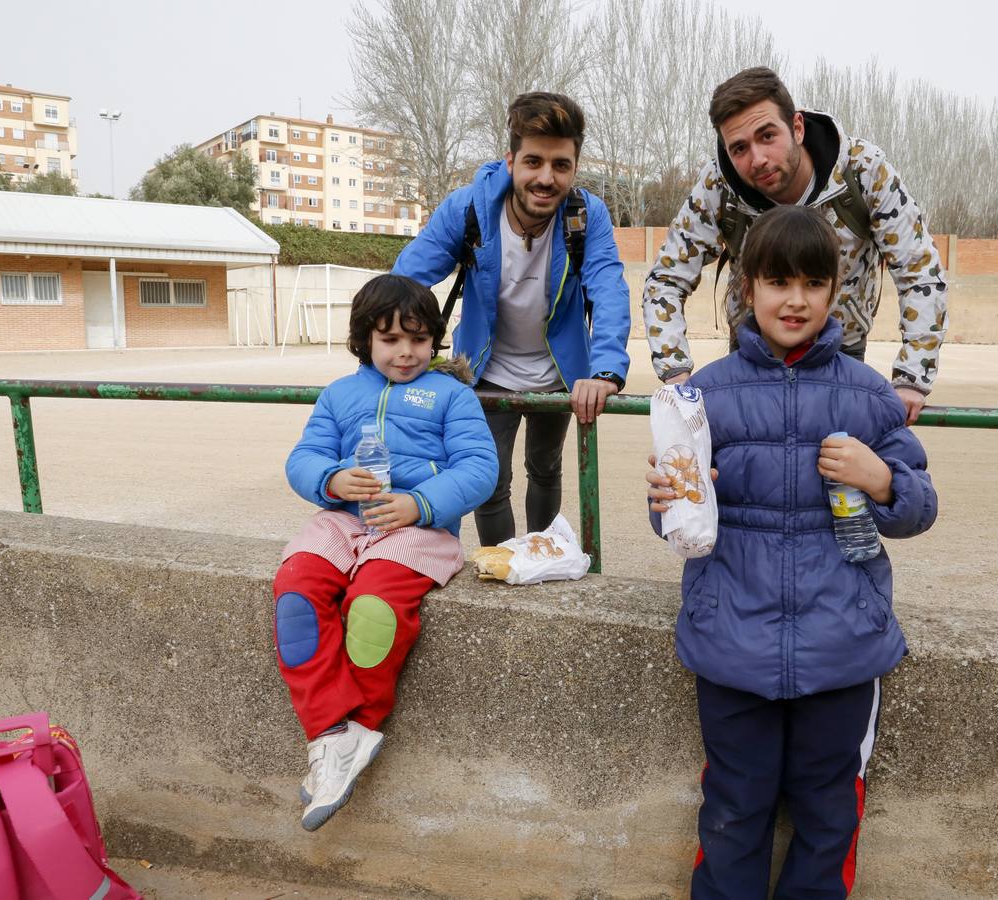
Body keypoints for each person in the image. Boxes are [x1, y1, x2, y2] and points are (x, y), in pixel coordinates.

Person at [645, 206, 937, 898]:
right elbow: (672, 523)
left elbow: (920, 507)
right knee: (733, 811)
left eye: (813, 282)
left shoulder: (868, 395)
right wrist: (670, 500)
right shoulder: (703, 397)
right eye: (778, 282)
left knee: (829, 813)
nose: (796, 299)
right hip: (731, 645)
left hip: (841, 649)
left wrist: (882, 478)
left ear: (839, 293)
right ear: (748, 289)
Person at [273, 275, 497, 831]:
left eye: (419, 339)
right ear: (364, 341)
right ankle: (331, 734)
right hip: (343, 524)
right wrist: (331, 478)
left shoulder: (452, 395)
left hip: (417, 533)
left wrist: (418, 503)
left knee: (372, 607)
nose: (406, 352)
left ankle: (362, 727)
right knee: (296, 598)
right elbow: (303, 458)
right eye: (391, 339)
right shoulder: (340, 394)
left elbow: (479, 469)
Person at [643, 66, 948, 426]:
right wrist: (675, 373)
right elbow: (666, 280)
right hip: (754, 357)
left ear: (798, 127)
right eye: (739, 148)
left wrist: (912, 377)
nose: (757, 159)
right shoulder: (717, 186)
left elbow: (919, 270)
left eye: (767, 135)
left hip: (840, 355)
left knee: (838, 471)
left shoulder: (863, 170)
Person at [395, 92, 630, 546]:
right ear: (511, 160)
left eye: (561, 165)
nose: (546, 178)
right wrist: (391, 353)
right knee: (488, 479)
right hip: (486, 373)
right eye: (534, 162)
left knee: (545, 469)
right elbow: (405, 282)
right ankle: (501, 569)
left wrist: (604, 371)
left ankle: (540, 560)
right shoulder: (468, 210)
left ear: (575, 167)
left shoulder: (587, 216)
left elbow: (609, 289)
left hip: (560, 374)